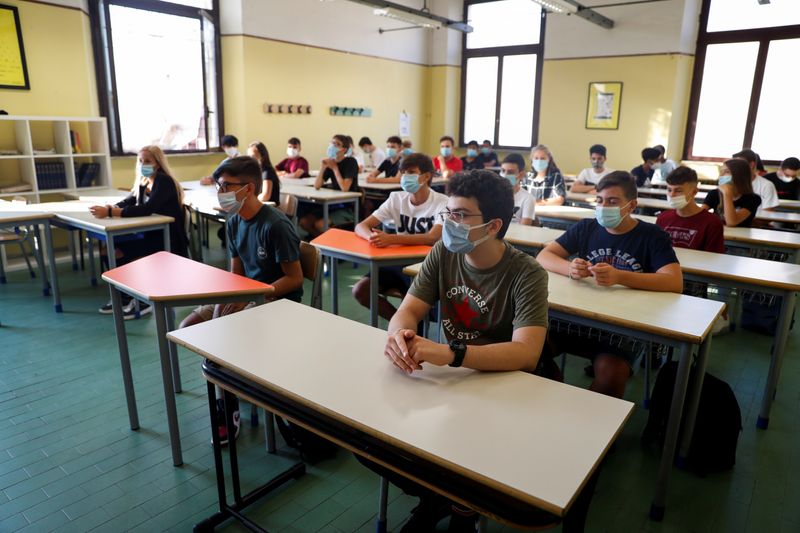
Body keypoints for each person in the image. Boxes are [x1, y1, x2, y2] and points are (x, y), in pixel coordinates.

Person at [374, 169, 559, 532]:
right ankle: (440, 495)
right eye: (448, 214)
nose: (449, 224)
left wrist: (452, 353)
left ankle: (460, 507)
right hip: (453, 379)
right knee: (370, 444)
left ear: (492, 226)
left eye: (460, 216)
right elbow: (408, 310)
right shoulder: (443, 252)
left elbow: (526, 353)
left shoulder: (527, 273)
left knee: (468, 452)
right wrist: (399, 335)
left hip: (506, 386)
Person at [179, 156, 304, 444]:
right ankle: (231, 384)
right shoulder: (234, 222)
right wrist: (228, 298)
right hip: (247, 294)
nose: (220, 192)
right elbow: (236, 273)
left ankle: (227, 406)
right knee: (190, 326)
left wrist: (252, 297)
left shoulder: (275, 225)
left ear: (248, 188)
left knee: (221, 337)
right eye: (219, 186)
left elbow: (294, 280)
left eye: (225, 186)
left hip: (276, 299)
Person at [537, 171, 682, 399]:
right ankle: (551, 398)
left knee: (611, 374)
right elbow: (544, 256)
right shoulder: (587, 227)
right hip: (575, 318)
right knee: (530, 349)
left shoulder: (652, 236)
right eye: (600, 201)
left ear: (631, 205)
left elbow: (674, 281)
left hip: (621, 327)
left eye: (613, 201)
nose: (604, 207)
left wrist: (620, 277)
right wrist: (570, 269)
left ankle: (589, 424)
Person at [90, 146, 188, 318]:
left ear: (158, 163)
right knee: (109, 249)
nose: (143, 164)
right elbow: (129, 200)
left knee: (119, 251)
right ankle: (125, 296)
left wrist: (112, 213)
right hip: (149, 234)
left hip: (166, 238)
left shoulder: (164, 181)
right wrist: (110, 207)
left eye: (148, 161)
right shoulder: (144, 181)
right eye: (141, 161)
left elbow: (148, 208)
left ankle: (140, 300)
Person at [352, 153, 448, 321]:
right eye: (402, 172)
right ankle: (402, 323)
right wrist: (372, 237)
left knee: (410, 302)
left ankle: (408, 326)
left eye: (410, 172)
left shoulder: (443, 202)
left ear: (426, 176)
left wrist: (391, 239)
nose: (404, 177)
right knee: (360, 290)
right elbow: (361, 226)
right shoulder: (396, 198)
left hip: (426, 265)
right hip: (396, 261)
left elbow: (432, 238)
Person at [297, 134, 359, 238]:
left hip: (347, 206)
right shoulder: (331, 163)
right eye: (332, 143)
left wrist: (335, 168)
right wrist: (323, 167)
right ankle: (322, 242)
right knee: (304, 222)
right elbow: (317, 186)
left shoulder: (350, 162)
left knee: (320, 225)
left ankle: (335, 244)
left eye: (337, 144)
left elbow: (345, 188)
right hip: (333, 205)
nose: (333, 146)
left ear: (344, 150)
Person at [657, 166, 724, 253]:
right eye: (669, 190)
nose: (671, 195)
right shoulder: (663, 218)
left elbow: (714, 258)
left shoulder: (712, 223)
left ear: (694, 192)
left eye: (678, 191)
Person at [702, 158, 762, 227]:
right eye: (721, 172)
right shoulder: (714, 194)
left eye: (726, 172)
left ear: (739, 175)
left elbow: (731, 222)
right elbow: (698, 215)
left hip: (740, 236)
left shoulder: (753, 199)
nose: (721, 175)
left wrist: (727, 193)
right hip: (718, 235)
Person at [732, 149, 779, 214]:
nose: (735, 168)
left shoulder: (766, 185)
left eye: (739, 165)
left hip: (755, 223)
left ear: (751, 165)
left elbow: (768, 214)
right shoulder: (729, 183)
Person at [501, 153, 535, 226]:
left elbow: (524, 229)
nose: (505, 175)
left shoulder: (527, 198)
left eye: (510, 172)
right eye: (503, 171)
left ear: (521, 174)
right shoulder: (493, 194)